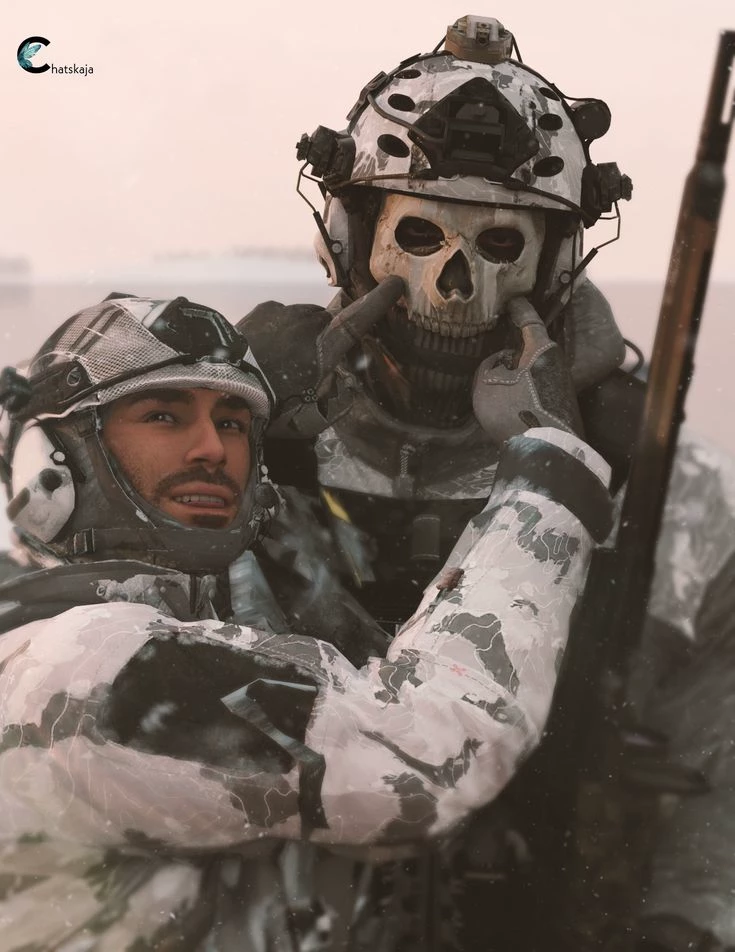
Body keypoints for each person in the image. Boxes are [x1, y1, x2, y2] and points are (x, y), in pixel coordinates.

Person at [237, 14, 735, 951]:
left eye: (499, 243)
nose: (454, 286)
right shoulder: (230, 448)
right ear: (350, 237)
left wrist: (686, 926)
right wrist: (248, 433)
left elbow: (724, 743)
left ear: (554, 264)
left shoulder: (664, 486)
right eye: (420, 235)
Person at [0, 290, 612, 949]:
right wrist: (549, 475)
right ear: (51, 461)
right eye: (163, 416)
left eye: (234, 423)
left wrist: (283, 475)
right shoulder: (88, 665)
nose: (212, 449)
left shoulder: (78, 626)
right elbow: (429, 755)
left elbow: (327, 718)